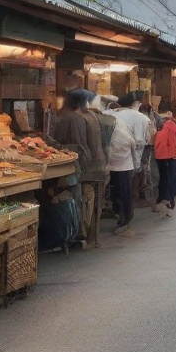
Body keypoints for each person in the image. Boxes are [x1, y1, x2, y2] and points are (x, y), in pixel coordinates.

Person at [52, 89, 109, 246]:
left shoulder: (73, 118)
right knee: (93, 203)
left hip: (86, 169)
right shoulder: (91, 116)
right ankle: (92, 239)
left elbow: (78, 146)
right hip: (99, 166)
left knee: (83, 203)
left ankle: (80, 236)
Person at [113, 93, 154, 201]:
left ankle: (119, 206)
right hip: (135, 154)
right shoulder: (143, 118)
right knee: (130, 180)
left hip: (115, 156)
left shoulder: (113, 115)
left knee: (118, 184)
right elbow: (151, 136)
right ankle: (131, 202)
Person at [106, 109, 139, 235]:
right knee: (118, 194)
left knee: (123, 194)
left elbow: (129, 144)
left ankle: (125, 219)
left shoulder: (119, 132)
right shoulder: (119, 129)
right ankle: (122, 217)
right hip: (116, 167)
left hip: (123, 167)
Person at [152, 101, 176, 215]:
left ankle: (162, 198)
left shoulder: (156, 122)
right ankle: (169, 198)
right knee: (171, 177)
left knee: (163, 177)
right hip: (172, 155)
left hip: (159, 154)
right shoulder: (172, 124)